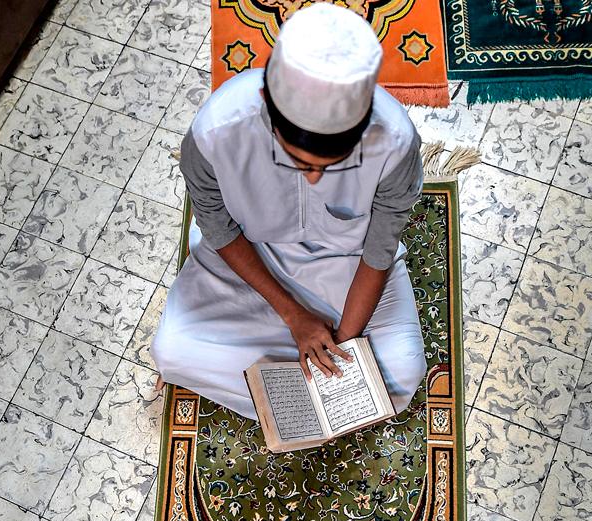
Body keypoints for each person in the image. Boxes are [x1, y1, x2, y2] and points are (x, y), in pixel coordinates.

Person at [151, 3, 427, 419]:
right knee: (171, 350)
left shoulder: (395, 142)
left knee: (402, 373)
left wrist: (341, 349)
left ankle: (288, 383)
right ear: (266, 102)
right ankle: (296, 375)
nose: (315, 180)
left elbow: (378, 251)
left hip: (350, 269)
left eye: (329, 166)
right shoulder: (213, 135)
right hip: (252, 262)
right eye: (300, 162)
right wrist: (295, 316)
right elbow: (220, 230)